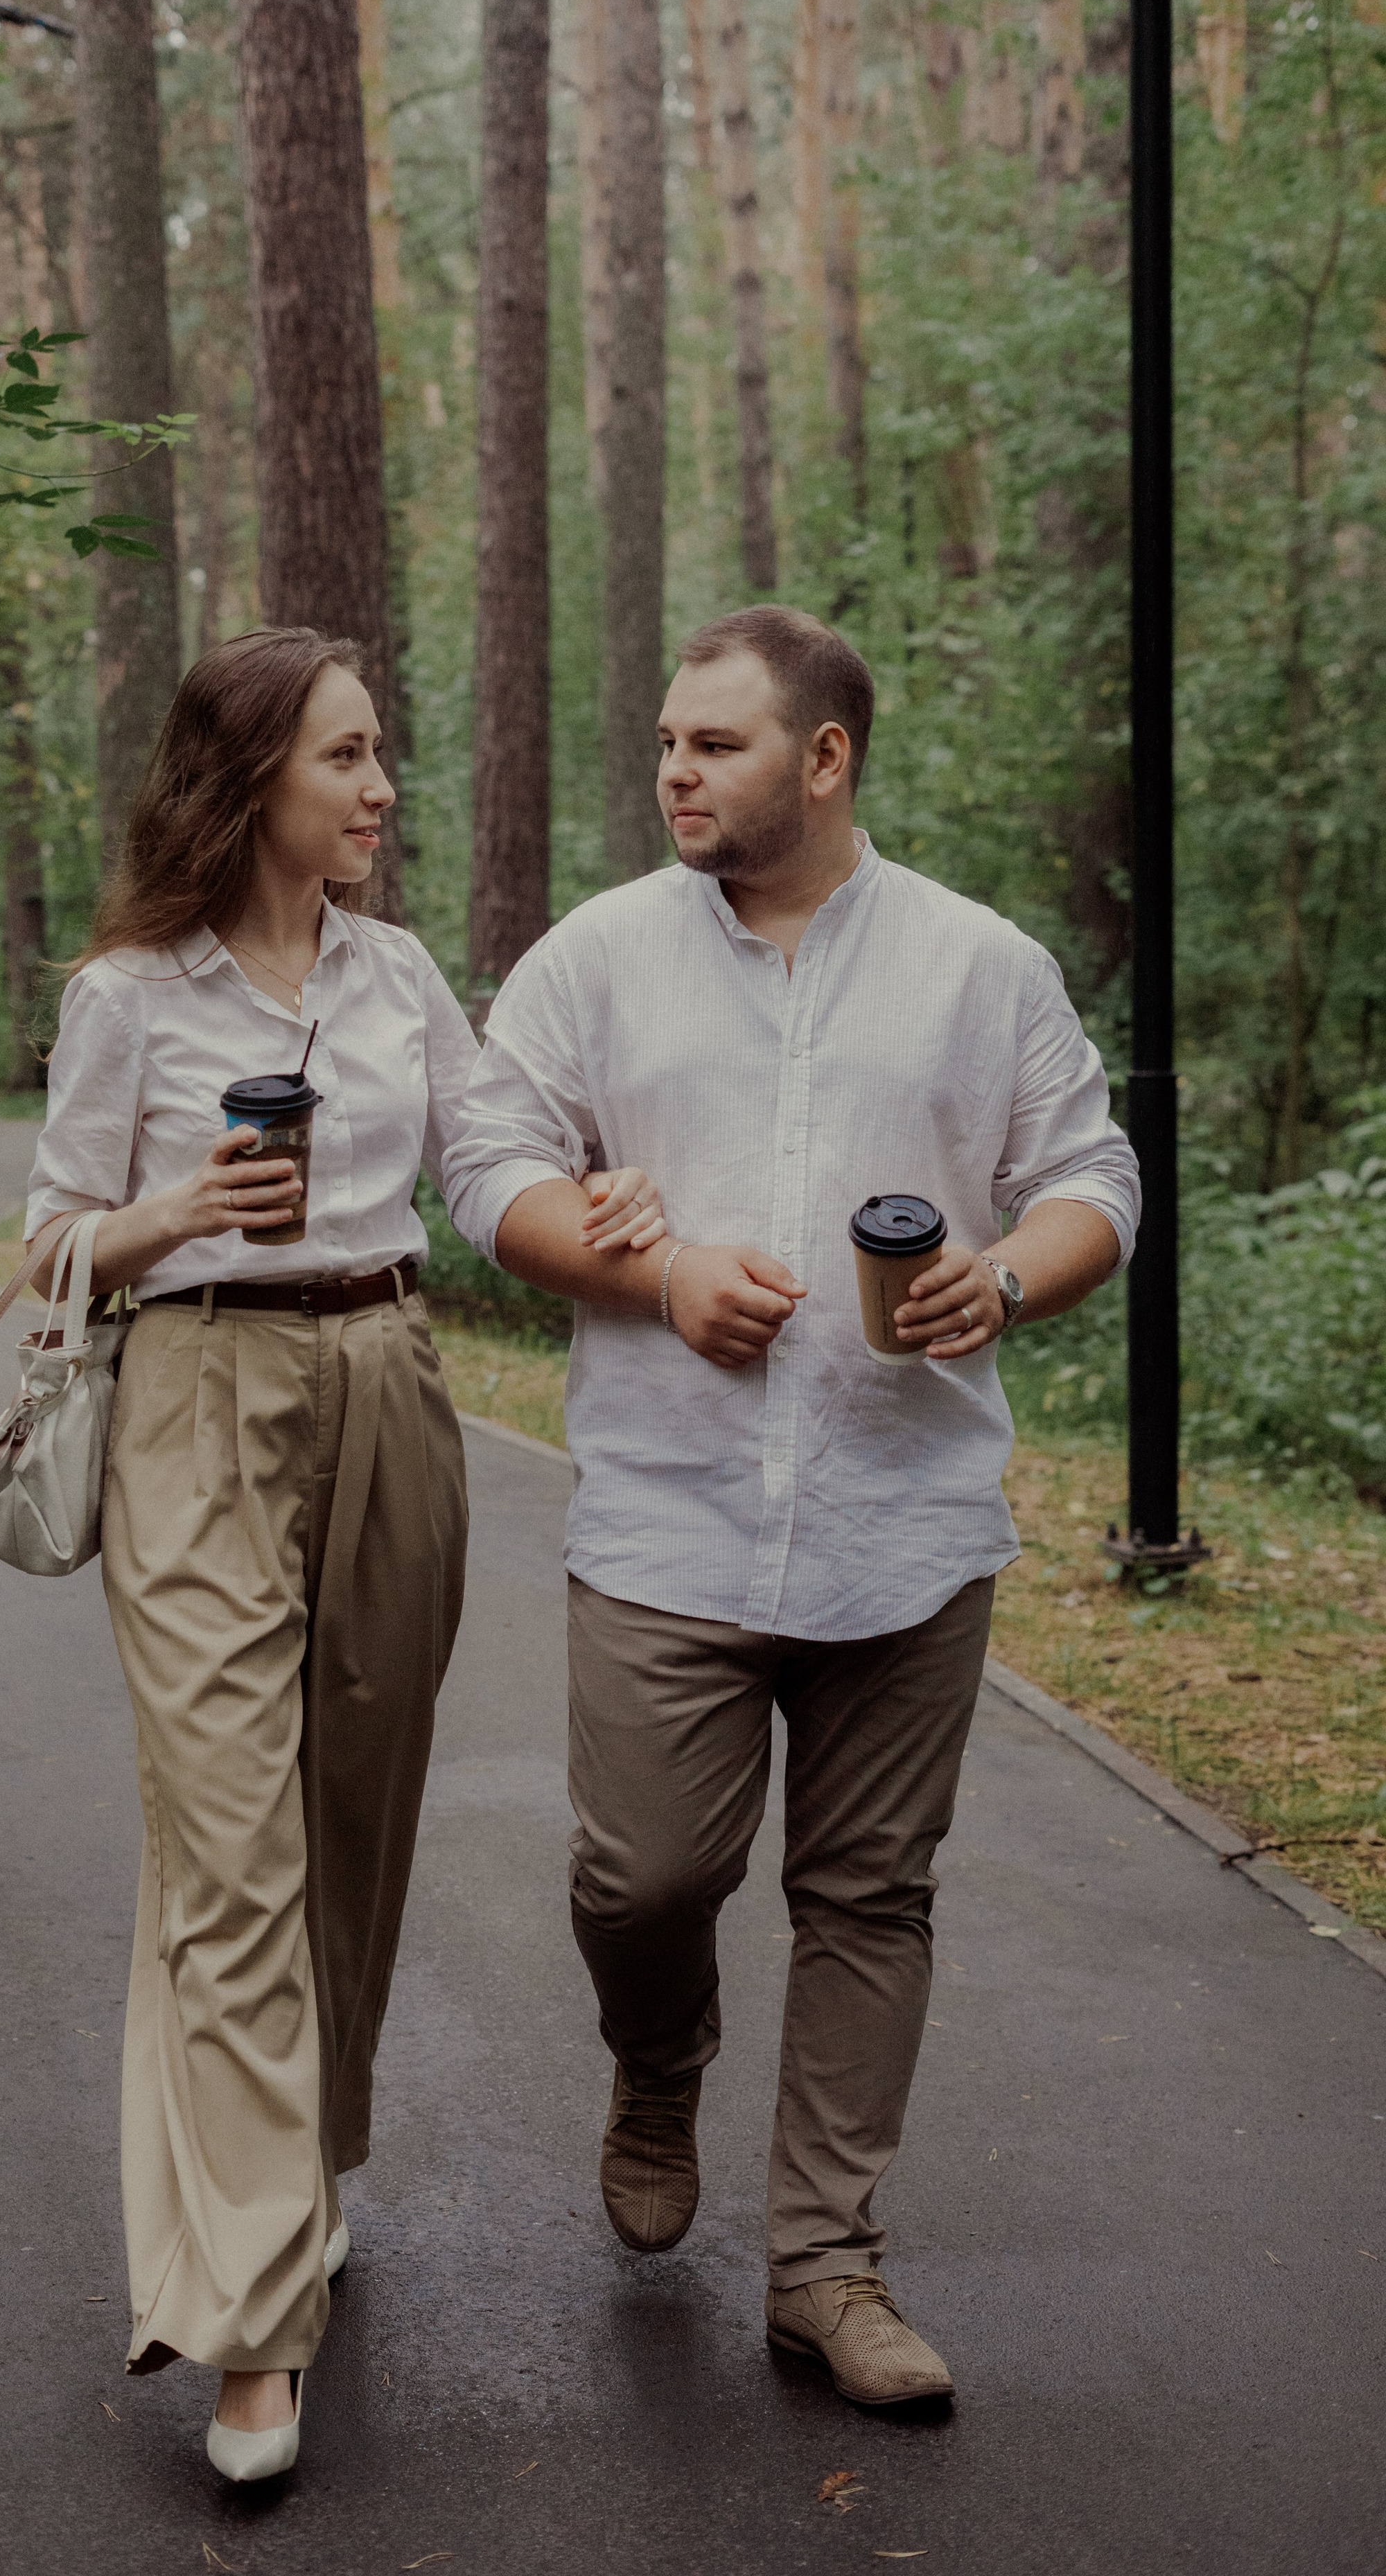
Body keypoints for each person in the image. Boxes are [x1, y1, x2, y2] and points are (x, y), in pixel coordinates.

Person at [441, 603, 1140, 2409]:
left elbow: (1094, 1176)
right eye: (670, 741)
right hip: (669, 1515)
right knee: (644, 1870)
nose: (675, 767)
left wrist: (1008, 1276)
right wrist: (641, 1277)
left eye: (718, 743)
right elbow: (488, 1160)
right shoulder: (594, 959)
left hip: (903, 1515)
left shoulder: (982, 967)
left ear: (825, 759)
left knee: (870, 1897)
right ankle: (658, 2059)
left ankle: (829, 2268)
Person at [22, 626, 664, 2484]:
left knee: (350, 1820)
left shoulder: (393, 974)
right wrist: (174, 1211)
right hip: (197, 1399)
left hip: (391, 1382)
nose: (381, 788)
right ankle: (246, 2321)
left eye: (382, 754)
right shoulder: (130, 995)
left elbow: (480, 1162)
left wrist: (598, 1195)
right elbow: (48, 1246)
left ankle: (298, 2163)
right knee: (228, 1846)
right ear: (250, 783)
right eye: (348, 757)